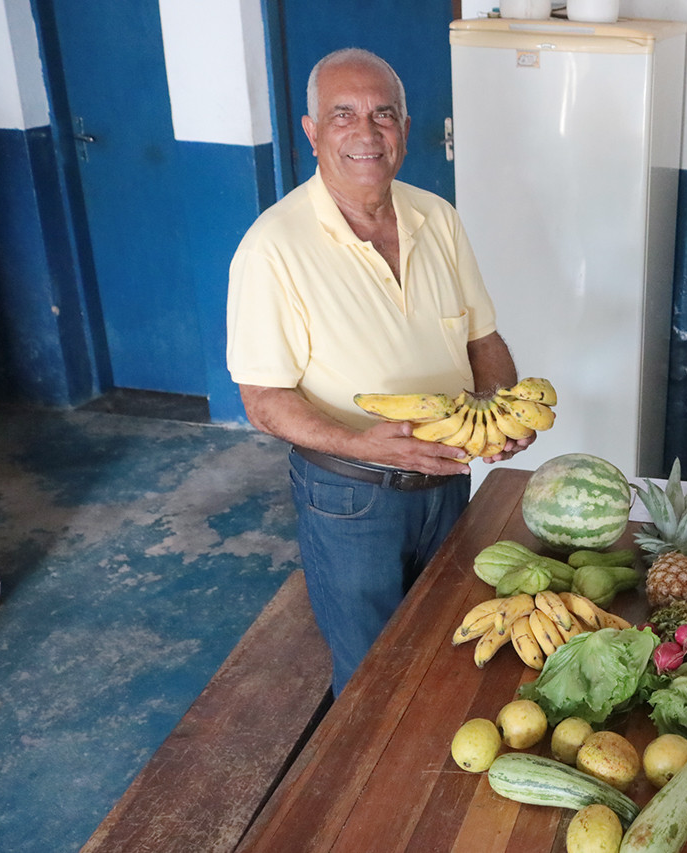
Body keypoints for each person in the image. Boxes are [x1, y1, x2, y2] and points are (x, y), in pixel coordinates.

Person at [226, 48, 533, 695]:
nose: (366, 132)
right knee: (370, 673)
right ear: (312, 132)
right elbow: (261, 397)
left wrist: (500, 407)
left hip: (448, 479)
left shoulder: (438, 218)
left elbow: (485, 338)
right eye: (343, 115)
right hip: (350, 496)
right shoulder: (273, 246)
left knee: (448, 646)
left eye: (383, 114)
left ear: (406, 128)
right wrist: (358, 441)